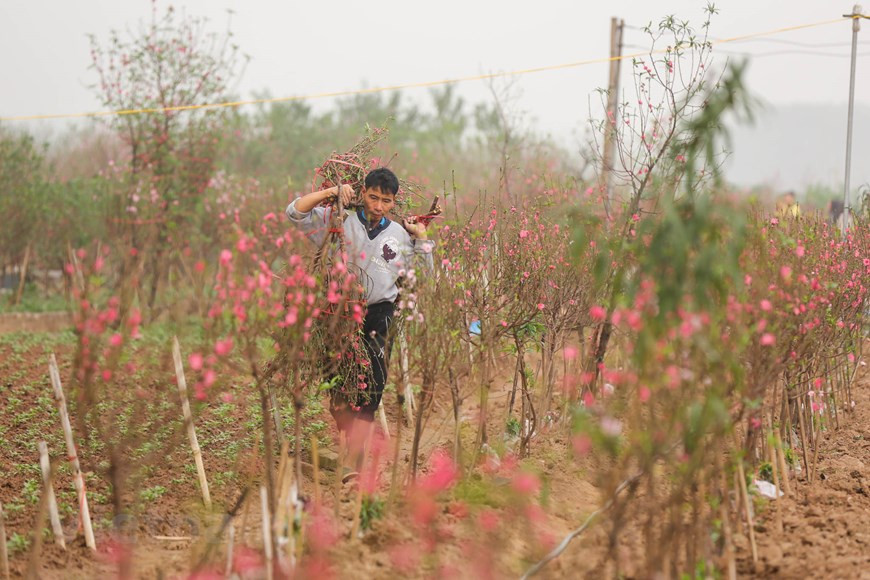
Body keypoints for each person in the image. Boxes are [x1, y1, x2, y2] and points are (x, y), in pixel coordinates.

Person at [285, 167, 434, 437]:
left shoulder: (400, 235)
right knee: (336, 378)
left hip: (379, 314)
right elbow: (296, 212)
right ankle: (348, 431)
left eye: (386, 201)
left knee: (375, 380)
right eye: (373, 197)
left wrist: (421, 236)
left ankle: (356, 451)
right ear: (362, 193)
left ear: (394, 202)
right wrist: (332, 192)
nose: (378, 206)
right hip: (338, 312)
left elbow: (422, 275)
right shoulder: (340, 221)